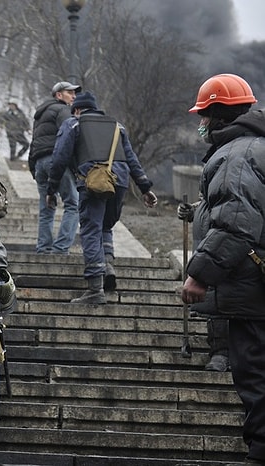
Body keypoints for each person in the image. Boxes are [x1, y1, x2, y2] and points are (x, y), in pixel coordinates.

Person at [179, 73, 265, 464]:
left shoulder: (236, 154)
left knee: (254, 373)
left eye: (204, 115)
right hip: (254, 286)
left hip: (251, 291)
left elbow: (235, 222)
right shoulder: (256, 148)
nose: (200, 124)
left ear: (217, 115)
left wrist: (200, 273)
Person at [46, 91, 157, 303]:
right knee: (105, 226)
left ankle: (95, 288)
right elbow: (131, 158)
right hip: (120, 182)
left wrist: (51, 189)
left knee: (91, 228)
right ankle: (108, 266)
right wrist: (145, 187)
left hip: (93, 181)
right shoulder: (118, 126)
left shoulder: (74, 124)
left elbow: (60, 158)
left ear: (77, 110)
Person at [177, 198, 230, 373]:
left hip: (227, 254)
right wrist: (193, 211)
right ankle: (219, 351)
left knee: (223, 299)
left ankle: (223, 352)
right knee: (213, 302)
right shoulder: (215, 182)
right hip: (209, 257)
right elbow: (210, 203)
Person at [31, 81, 81, 255]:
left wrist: (33, 168)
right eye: (70, 93)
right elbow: (69, 137)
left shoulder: (40, 114)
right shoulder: (63, 110)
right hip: (56, 160)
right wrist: (76, 166)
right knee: (73, 205)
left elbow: (34, 141)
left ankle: (43, 248)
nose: (74, 97)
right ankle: (60, 249)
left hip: (39, 163)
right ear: (59, 95)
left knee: (47, 207)